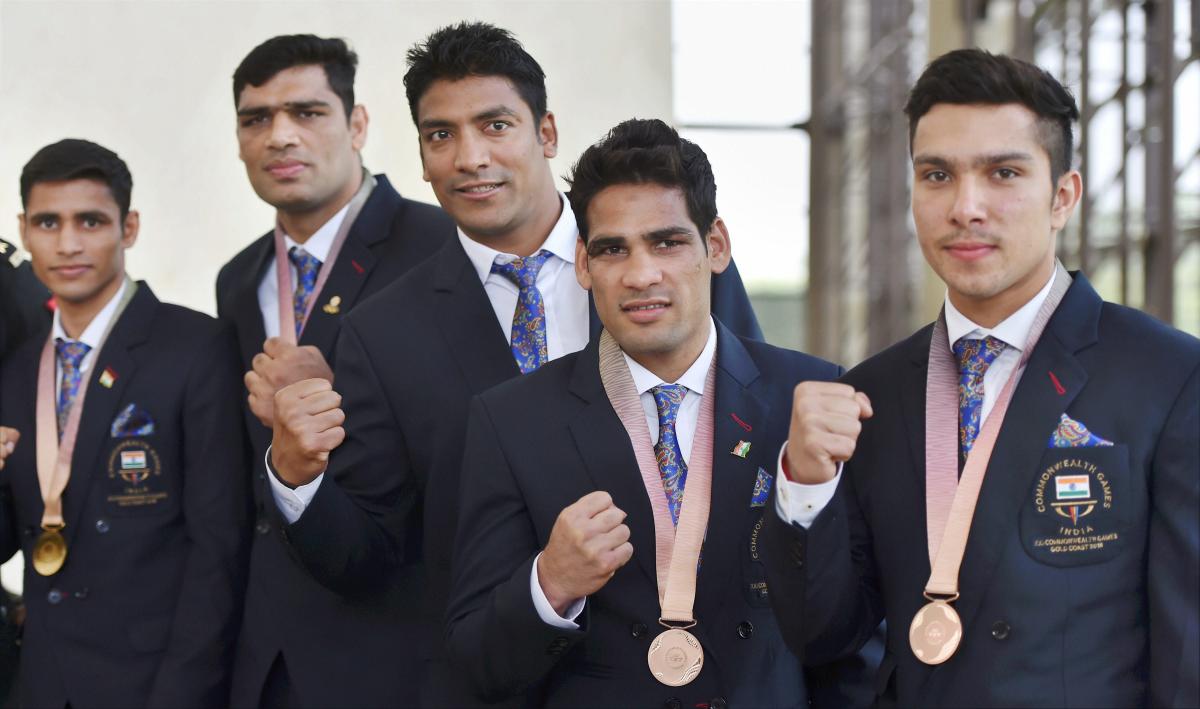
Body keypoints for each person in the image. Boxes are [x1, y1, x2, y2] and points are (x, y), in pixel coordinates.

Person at [268, 23, 766, 707]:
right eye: (440, 135)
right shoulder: (382, 332)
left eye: (495, 124)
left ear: (547, 133)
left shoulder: (670, 264)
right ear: (419, 156)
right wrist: (296, 476)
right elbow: (366, 556)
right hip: (491, 683)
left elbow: (745, 435)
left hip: (697, 670)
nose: (470, 156)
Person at [763, 49, 1199, 707]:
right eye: (937, 174)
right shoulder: (873, 395)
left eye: (1003, 173)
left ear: (1062, 197)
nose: (966, 206)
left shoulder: (1167, 377)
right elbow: (823, 632)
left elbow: (1187, 647)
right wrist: (803, 484)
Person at [440, 117, 871, 707]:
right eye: (614, 249)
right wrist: (549, 586)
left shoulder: (812, 394)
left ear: (714, 246)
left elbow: (855, 636)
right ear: (585, 265)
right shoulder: (511, 421)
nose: (641, 274)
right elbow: (474, 663)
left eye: (667, 242)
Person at [215, 34, 454, 708]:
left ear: (357, 124)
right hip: (268, 649)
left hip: (397, 641)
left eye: (307, 112)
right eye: (255, 118)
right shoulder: (239, 279)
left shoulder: (439, 246)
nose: (279, 136)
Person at [0, 139, 248, 707]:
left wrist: (183, 694)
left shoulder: (196, 347)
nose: (67, 243)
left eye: (90, 221)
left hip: (152, 683)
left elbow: (220, 549)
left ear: (128, 227)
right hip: (40, 683)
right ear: (24, 229)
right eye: (47, 222)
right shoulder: (16, 370)